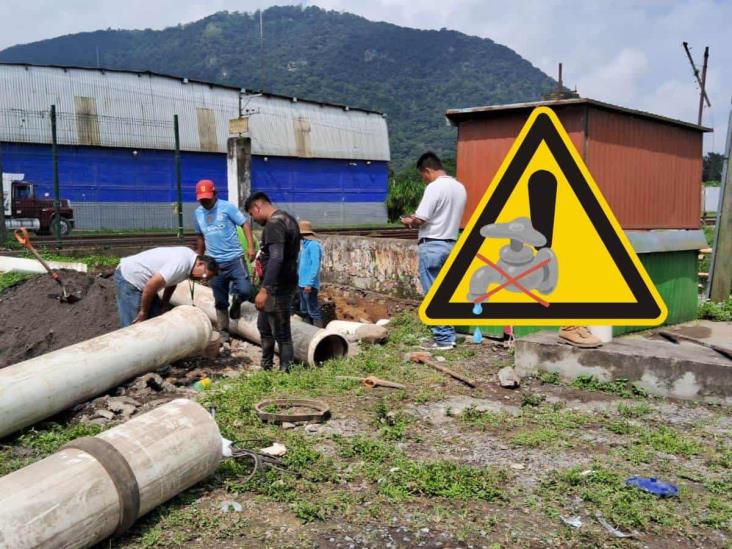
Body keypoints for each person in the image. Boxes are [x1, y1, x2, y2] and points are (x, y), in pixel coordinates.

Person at [400, 151, 467, 350]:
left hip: (433, 245)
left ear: (427, 170)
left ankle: (444, 339)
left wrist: (409, 221)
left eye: (423, 176)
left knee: (433, 294)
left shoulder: (435, 187)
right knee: (446, 293)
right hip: (451, 243)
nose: (424, 180)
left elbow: (421, 218)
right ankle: (449, 335)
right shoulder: (459, 187)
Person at [244, 191, 301, 372]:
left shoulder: (274, 224)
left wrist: (265, 290)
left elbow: (276, 258)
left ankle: (286, 372)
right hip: (281, 284)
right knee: (264, 327)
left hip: (278, 288)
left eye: (252, 215)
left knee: (282, 333)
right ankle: (266, 366)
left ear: (257, 207)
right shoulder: (288, 219)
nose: (253, 219)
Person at [194, 179, 256, 339]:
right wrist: (200, 259)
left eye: (207, 199)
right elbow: (200, 236)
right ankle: (224, 331)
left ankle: (237, 301)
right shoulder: (198, 213)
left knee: (245, 290)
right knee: (220, 300)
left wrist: (250, 247)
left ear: (214, 194)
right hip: (214, 263)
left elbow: (245, 224)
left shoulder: (227, 207)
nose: (205, 202)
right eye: (202, 200)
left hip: (235, 258)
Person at [114, 246, 218, 327]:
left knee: (156, 319)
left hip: (146, 284)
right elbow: (151, 285)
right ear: (200, 264)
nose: (201, 280)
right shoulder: (182, 263)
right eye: (204, 276)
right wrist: (143, 312)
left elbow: (172, 282)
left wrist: (165, 303)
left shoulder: (190, 263)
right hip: (130, 278)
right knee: (135, 324)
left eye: (206, 279)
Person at [297, 220, 323, 327]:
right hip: (302, 283)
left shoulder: (313, 245)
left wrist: (310, 283)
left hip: (309, 285)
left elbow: (315, 265)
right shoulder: (304, 245)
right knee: (304, 310)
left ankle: (318, 332)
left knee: (313, 310)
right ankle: (308, 331)